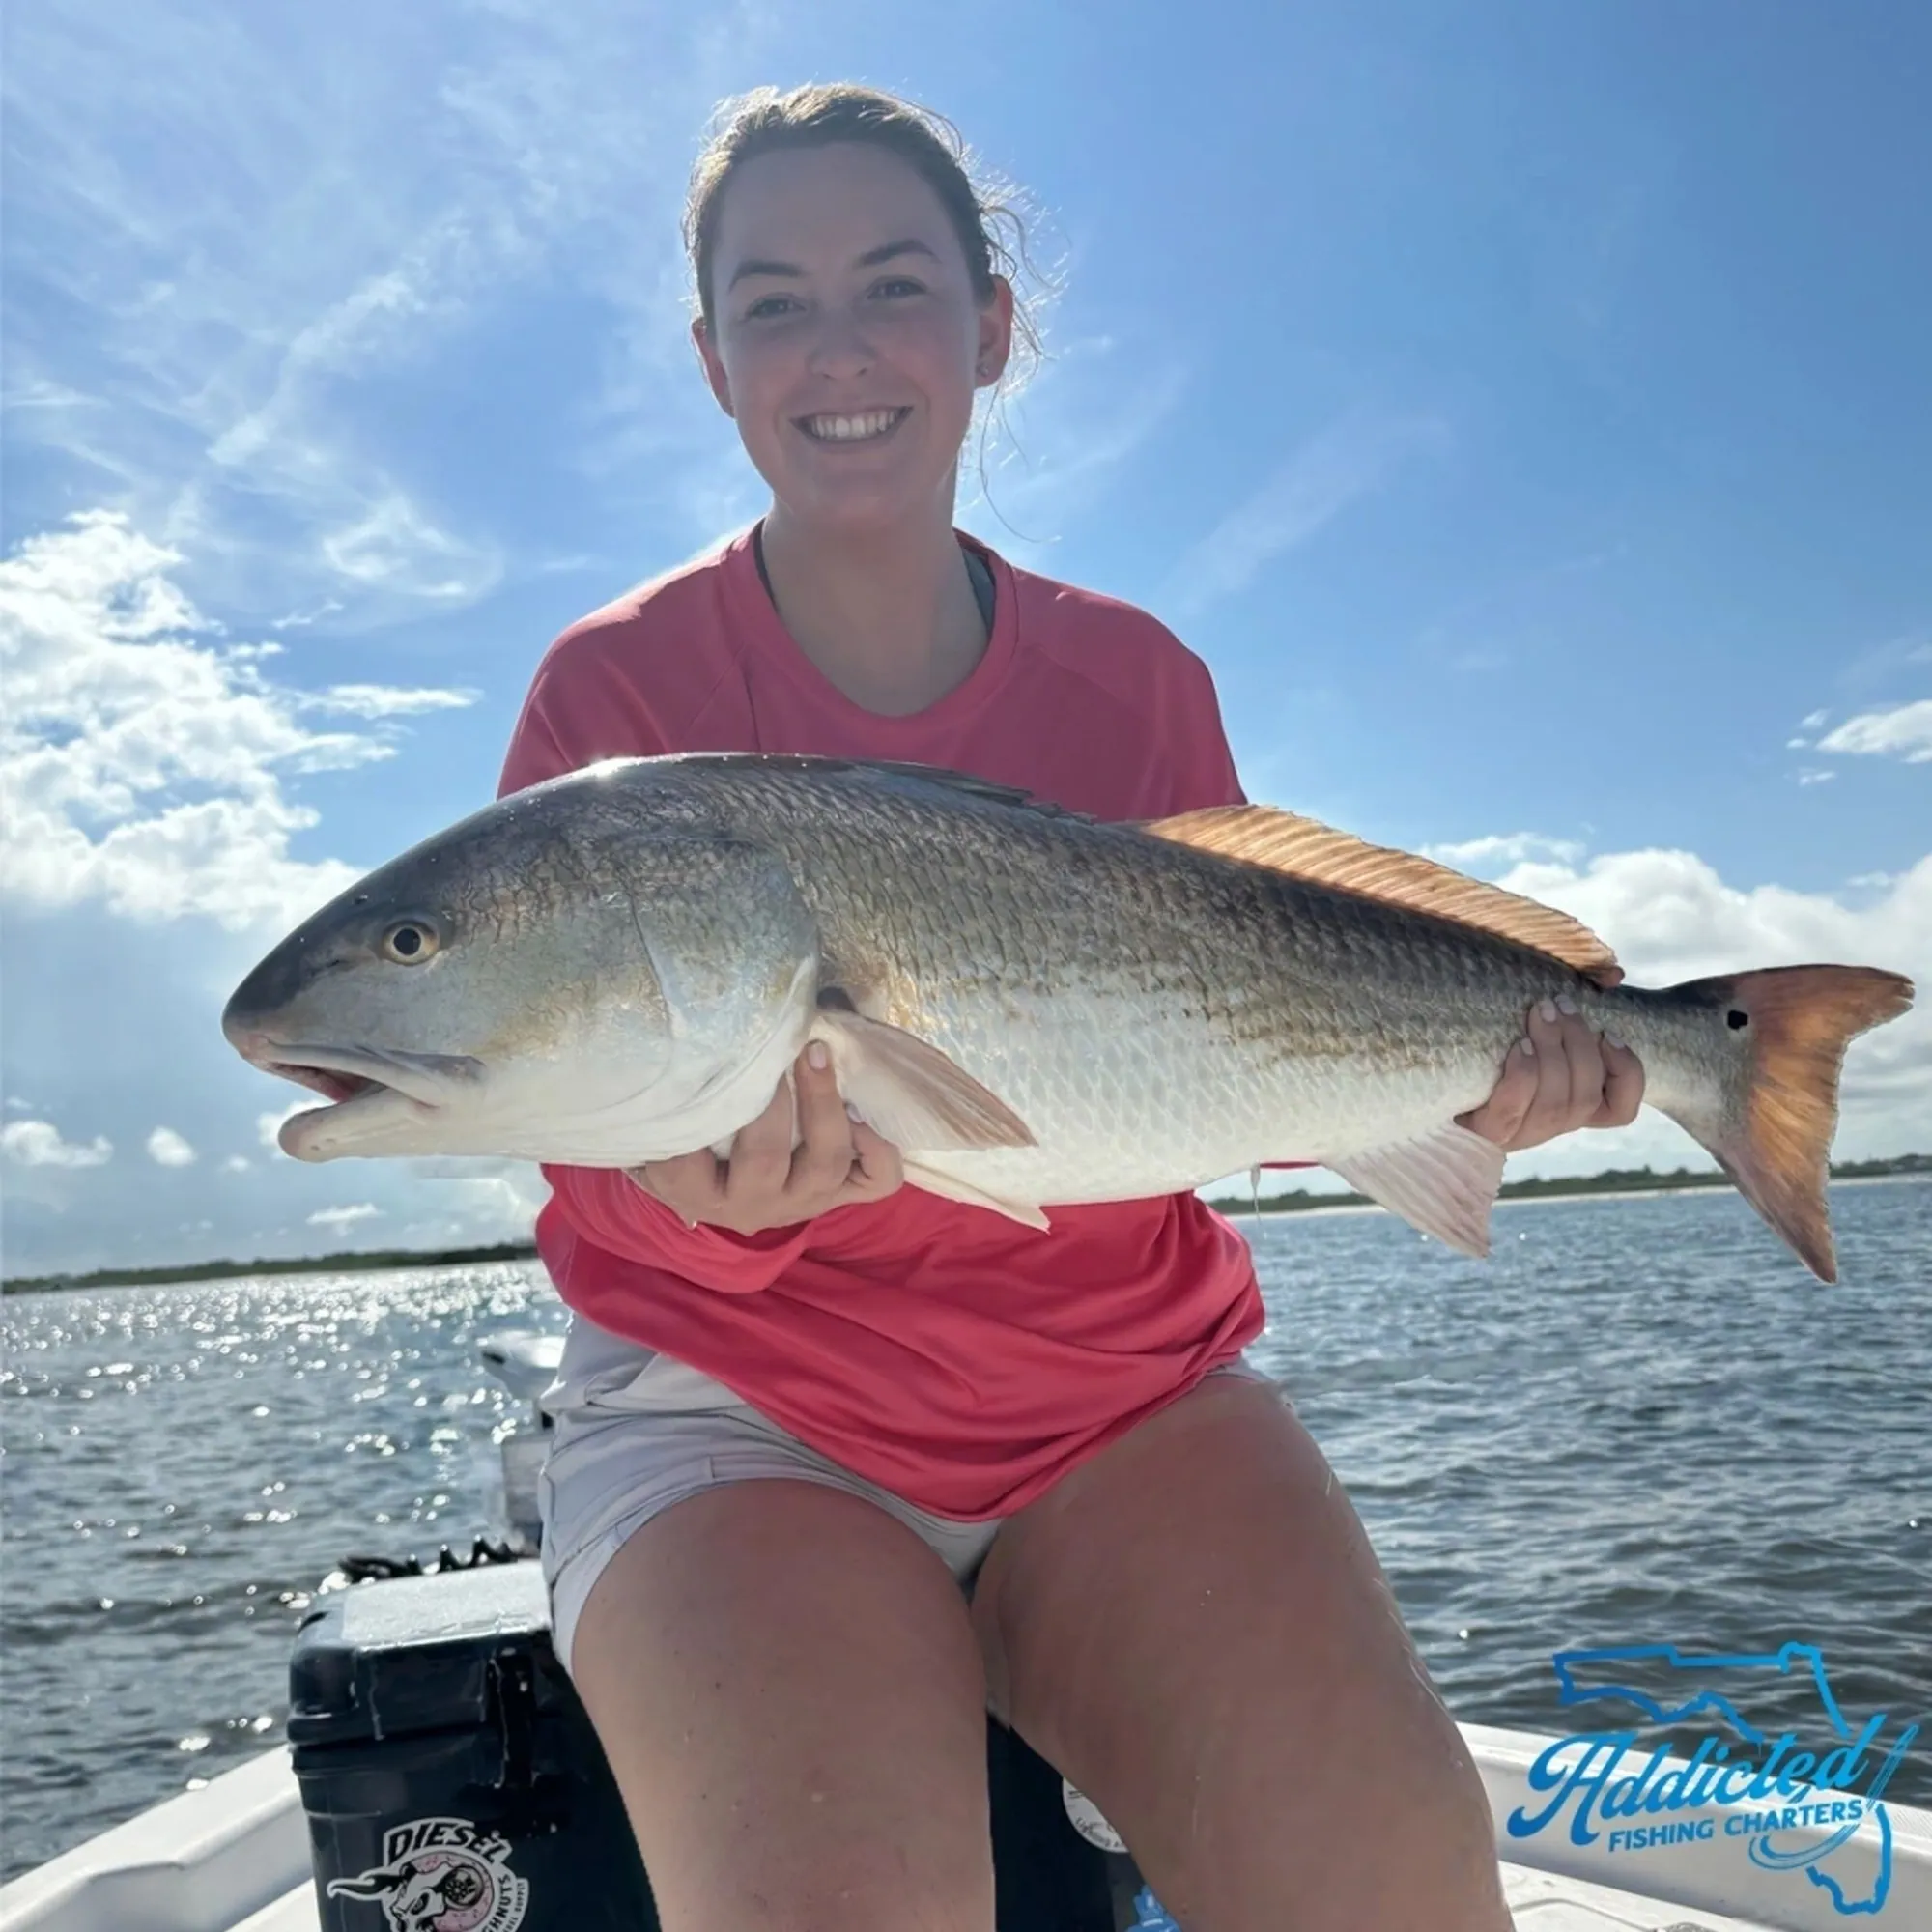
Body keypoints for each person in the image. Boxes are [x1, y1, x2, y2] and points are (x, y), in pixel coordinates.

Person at [498, 82, 1644, 1932]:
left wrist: (1468, 1086)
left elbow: (1226, 1050)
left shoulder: (1132, 680)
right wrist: (707, 1230)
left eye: (893, 285)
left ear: (991, 329)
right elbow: (587, 1151)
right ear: (711, 364)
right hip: (737, 1411)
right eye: (773, 304)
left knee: (1398, 1893)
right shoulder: (617, 694)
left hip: (1129, 1395)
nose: (840, 348)